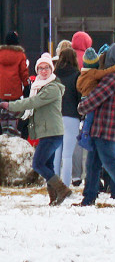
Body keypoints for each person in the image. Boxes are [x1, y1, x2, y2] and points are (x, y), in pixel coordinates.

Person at [2, 53, 71, 205]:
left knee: (38, 164)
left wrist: (10, 105)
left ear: (51, 69)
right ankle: (54, 198)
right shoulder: (38, 86)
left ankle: (62, 189)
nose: (43, 71)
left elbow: (33, 102)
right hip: (47, 132)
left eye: (46, 68)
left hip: (52, 133)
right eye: (40, 68)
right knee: (48, 165)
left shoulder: (52, 88)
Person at [75, 44, 115, 206]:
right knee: (93, 164)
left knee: (110, 164)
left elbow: (94, 99)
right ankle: (89, 197)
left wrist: (81, 107)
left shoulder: (112, 79)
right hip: (113, 126)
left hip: (104, 128)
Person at [53, 48, 83, 187]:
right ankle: (64, 187)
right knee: (67, 155)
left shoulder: (54, 76)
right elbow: (79, 98)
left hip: (56, 116)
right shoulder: (77, 75)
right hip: (72, 117)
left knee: (57, 154)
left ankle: (54, 186)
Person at [0, 31, 30, 136]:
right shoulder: (20, 55)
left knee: (3, 115)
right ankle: (12, 135)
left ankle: (3, 135)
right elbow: (24, 73)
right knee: (14, 115)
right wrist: (26, 86)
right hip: (15, 92)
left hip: (1, 92)